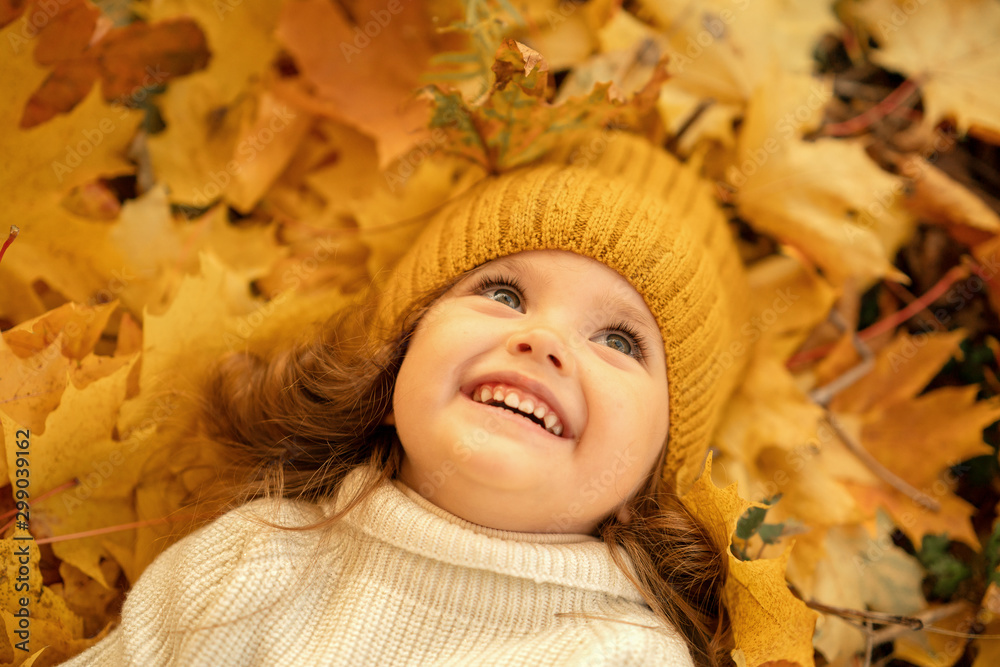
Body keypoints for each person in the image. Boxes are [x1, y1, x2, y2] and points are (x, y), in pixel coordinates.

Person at [63, 134, 750, 666]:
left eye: (621, 340)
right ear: (390, 372)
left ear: (650, 484)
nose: (544, 339)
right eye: (503, 294)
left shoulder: (622, 653)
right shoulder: (252, 558)